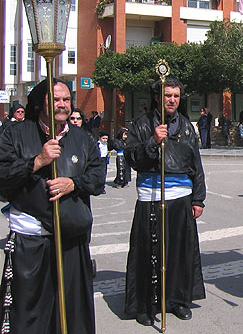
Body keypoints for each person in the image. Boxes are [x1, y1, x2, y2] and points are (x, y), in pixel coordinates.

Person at [0, 78, 105, 333]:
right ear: (41, 101)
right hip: (30, 241)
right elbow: (3, 176)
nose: (62, 105)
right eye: (55, 99)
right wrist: (37, 161)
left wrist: (73, 182)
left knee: (69, 313)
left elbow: (97, 176)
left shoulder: (82, 137)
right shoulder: (15, 133)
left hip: (70, 237)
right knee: (28, 314)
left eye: (66, 99)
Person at [124, 77, 206, 326]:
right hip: (151, 196)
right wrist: (152, 141)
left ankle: (178, 299)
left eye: (176, 96)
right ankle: (145, 305)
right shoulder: (141, 124)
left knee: (179, 251)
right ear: (158, 97)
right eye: (167, 95)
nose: (172, 100)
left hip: (180, 197)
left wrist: (198, 198)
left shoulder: (186, 126)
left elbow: (195, 163)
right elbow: (131, 157)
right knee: (148, 252)